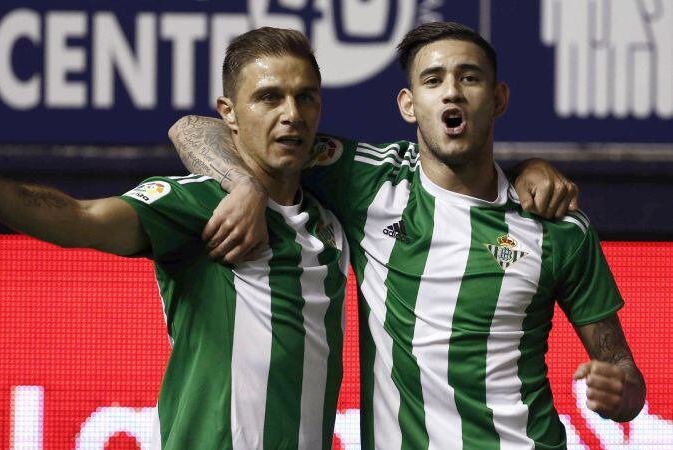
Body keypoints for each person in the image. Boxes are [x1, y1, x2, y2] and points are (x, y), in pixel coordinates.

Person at [169, 22, 646, 449]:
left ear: (497, 98)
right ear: (409, 104)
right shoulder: (367, 181)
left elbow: (627, 377)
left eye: (470, 78)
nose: (452, 93)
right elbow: (197, 130)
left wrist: (619, 392)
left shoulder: (557, 225)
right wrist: (245, 184)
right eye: (433, 80)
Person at [0, 28, 350, 450]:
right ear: (230, 112)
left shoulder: (332, 211)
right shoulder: (197, 202)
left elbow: (193, 128)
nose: (291, 113)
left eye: (305, 96)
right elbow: (81, 217)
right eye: (269, 97)